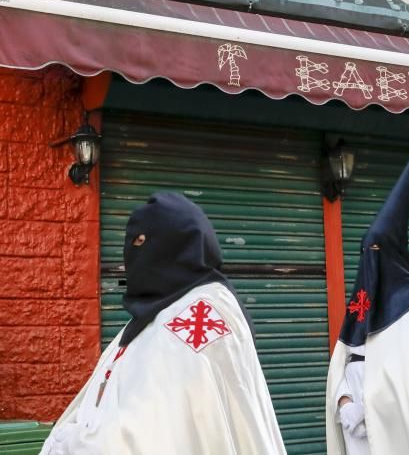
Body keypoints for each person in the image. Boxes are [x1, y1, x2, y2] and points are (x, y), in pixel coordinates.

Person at [40, 191, 286, 455]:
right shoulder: (154, 316)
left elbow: (153, 433)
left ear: (176, 243)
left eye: (142, 240)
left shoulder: (201, 313)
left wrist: (69, 444)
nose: (131, 253)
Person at [326, 148, 409, 455]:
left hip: (399, 430)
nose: (369, 261)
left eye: (376, 252)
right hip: (356, 427)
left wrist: (370, 409)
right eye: (365, 252)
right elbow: (344, 359)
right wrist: (344, 401)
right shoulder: (362, 305)